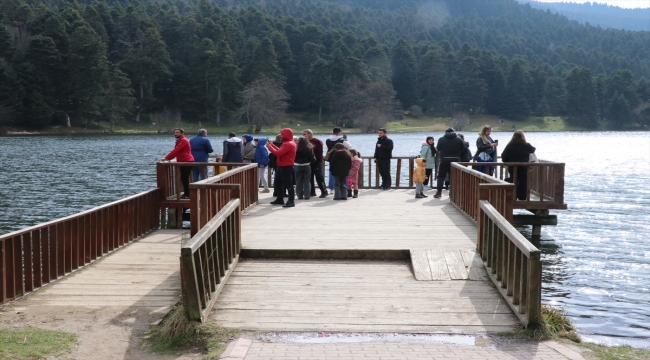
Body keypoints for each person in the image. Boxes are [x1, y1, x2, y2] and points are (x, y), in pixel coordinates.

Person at [501, 130, 536, 201]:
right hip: (523, 166)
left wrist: (507, 162)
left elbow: (503, 155)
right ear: (522, 137)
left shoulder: (509, 146)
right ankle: (522, 197)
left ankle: (513, 196)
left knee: (513, 181)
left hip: (512, 166)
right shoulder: (526, 145)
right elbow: (533, 150)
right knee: (523, 181)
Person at [160, 128, 194, 199]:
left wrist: (167, 158)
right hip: (184, 161)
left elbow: (176, 151)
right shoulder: (180, 140)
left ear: (182, 133)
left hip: (187, 161)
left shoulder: (183, 140)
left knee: (185, 178)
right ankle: (187, 193)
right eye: (175, 132)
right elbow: (177, 152)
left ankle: (188, 194)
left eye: (177, 132)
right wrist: (168, 158)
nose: (175, 134)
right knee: (184, 178)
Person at [267, 128, 297, 208]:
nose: (281, 135)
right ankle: (280, 198)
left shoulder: (288, 143)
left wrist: (269, 147)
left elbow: (278, 153)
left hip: (286, 166)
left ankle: (291, 200)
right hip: (282, 166)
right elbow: (281, 150)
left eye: (282, 134)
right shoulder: (289, 142)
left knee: (288, 184)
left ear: (286, 134)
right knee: (278, 183)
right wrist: (272, 145)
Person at [434, 127, 466, 199]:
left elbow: (438, 149)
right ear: (454, 132)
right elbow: (463, 148)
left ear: (445, 132)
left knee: (441, 176)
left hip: (444, 160)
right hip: (455, 160)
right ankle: (452, 193)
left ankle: (439, 193)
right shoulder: (459, 139)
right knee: (454, 177)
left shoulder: (441, 139)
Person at [302, 129, 328, 198]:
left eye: (305, 134)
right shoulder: (305, 142)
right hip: (308, 163)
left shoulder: (317, 141)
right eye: (303, 135)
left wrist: (314, 160)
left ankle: (324, 191)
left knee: (319, 177)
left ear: (310, 134)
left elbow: (319, 153)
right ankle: (312, 192)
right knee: (310, 178)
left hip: (316, 162)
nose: (303, 136)